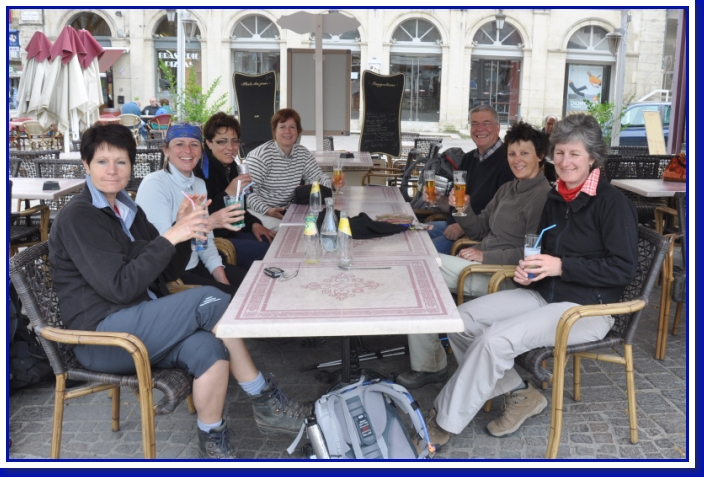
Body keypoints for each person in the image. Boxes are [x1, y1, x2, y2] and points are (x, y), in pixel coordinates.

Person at [48, 124, 312, 459]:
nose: (112, 170)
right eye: (102, 162)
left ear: (131, 166)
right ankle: (265, 399)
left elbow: (168, 272)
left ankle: (212, 440)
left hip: (141, 322)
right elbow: (121, 287)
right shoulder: (80, 216)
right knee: (212, 300)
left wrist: (184, 230)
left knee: (209, 348)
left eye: (121, 161)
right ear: (86, 165)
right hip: (102, 338)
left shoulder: (128, 210)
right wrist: (172, 234)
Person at [423, 114, 639, 449]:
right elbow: (542, 251)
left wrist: (561, 266)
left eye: (574, 154)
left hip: (587, 310)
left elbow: (622, 269)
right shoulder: (557, 197)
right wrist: (529, 270)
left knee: (494, 340)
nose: (565, 162)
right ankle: (521, 394)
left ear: (592, 158)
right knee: (460, 322)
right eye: (560, 153)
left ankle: (442, 422)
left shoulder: (611, 203)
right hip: (544, 295)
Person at [398, 122, 552, 390]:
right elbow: (479, 228)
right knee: (418, 267)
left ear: (540, 155)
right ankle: (429, 357)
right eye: (512, 153)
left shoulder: (542, 196)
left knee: (421, 268)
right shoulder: (508, 189)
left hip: (506, 277)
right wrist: (462, 208)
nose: (517, 159)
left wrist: (485, 256)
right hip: (482, 266)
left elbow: (534, 253)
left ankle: (431, 365)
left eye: (524, 153)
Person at [136, 123, 247, 296]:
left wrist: (223, 279)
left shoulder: (198, 184)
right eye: (179, 144)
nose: (187, 150)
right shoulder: (155, 184)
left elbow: (205, 242)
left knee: (255, 285)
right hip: (173, 275)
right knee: (238, 299)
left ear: (201, 151)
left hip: (197, 265)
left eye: (194, 144)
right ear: (166, 150)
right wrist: (210, 222)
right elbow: (162, 246)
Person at [426, 105, 514, 254]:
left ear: (498, 128)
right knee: (409, 238)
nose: (480, 129)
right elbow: (454, 207)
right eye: (474, 124)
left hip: (475, 239)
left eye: (486, 123)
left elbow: (502, 216)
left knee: (423, 253)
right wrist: (438, 199)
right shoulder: (468, 158)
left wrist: (463, 226)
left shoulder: (509, 161)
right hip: (450, 225)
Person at [196, 112, 274, 269]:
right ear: (209, 143)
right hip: (212, 240)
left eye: (234, 141)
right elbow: (202, 215)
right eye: (222, 141)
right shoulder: (201, 170)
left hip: (234, 231)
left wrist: (254, 224)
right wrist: (227, 193)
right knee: (267, 251)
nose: (230, 147)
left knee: (272, 241)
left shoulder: (232, 167)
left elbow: (239, 208)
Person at [245, 108, 341, 231]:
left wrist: (332, 183)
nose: (288, 131)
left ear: (298, 131)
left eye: (292, 127)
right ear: (274, 131)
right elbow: (247, 192)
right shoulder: (261, 156)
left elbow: (317, 177)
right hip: (259, 212)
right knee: (292, 231)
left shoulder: (302, 153)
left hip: (287, 209)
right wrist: (267, 210)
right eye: (282, 127)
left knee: (323, 223)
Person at [542, 114, 560, 184]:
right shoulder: (539, 136)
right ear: (545, 124)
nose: (551, 126)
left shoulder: (560, 138)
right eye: (549, 124)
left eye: (553, 124)